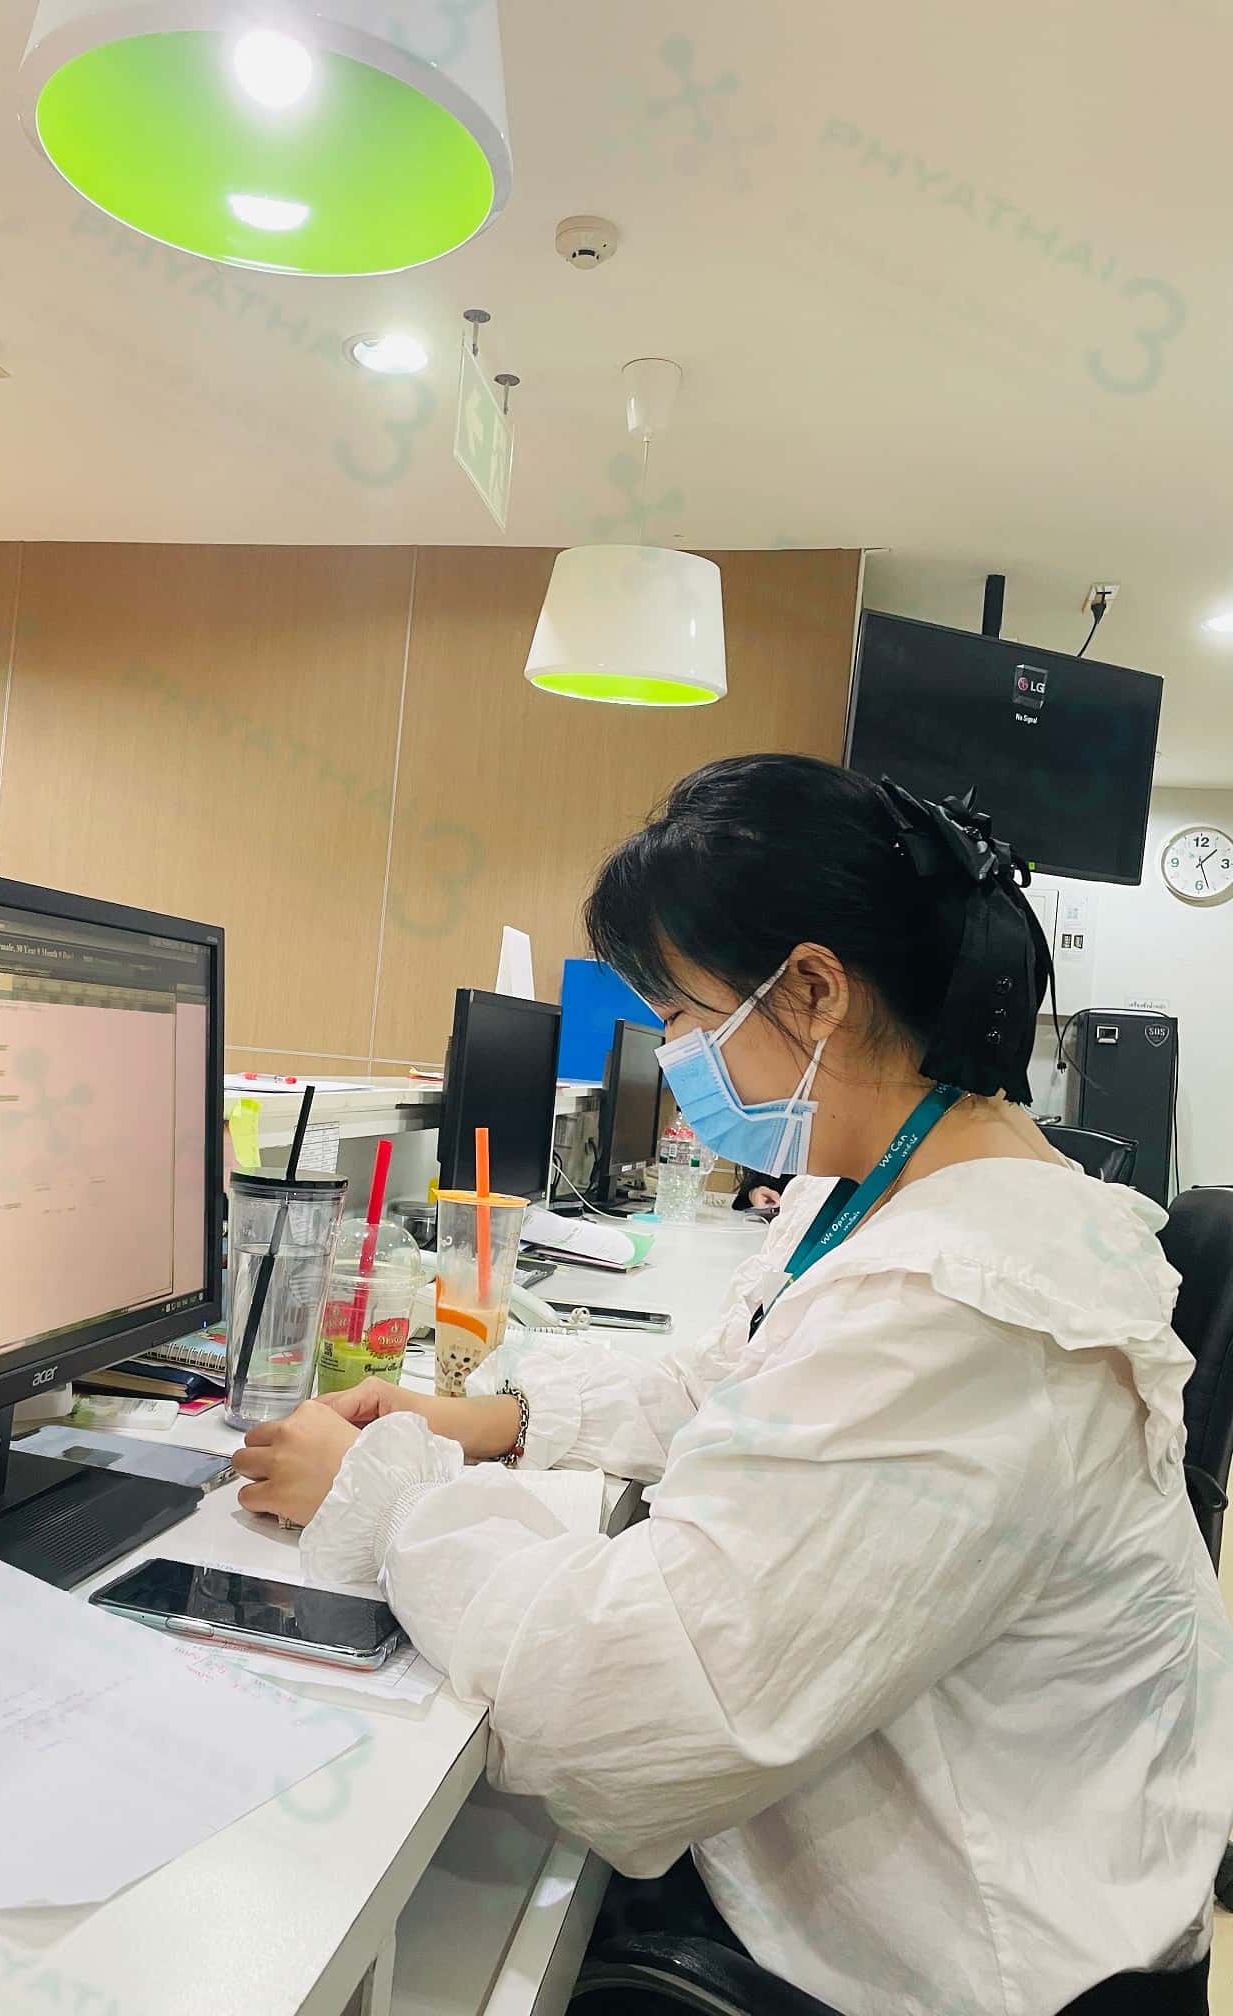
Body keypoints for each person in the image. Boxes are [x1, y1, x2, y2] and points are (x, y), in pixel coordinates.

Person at [233, 755, 1233, 2016]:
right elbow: (741, 1377)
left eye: (684, 1015)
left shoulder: (969, 1299)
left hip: (976, 1962)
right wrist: (496, 1418)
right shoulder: (900, 1180)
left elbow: (627, 1702)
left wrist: (380, 1494)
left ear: (813, 990)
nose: (672, 1053)